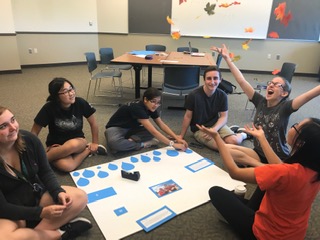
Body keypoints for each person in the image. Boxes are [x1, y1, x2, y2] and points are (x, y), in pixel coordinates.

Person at [197, 118, 320, 240]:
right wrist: (261, 137)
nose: (293, 127)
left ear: (301, 143)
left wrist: (217, 138)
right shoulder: (314, 169)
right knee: (265, 183)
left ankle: (248, 215)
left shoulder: (285, 173)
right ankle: (250, 210)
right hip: (295, 234)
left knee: (216, 192)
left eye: (296, 126)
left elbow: (235, 172)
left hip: (266, 235)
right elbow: (280, 168)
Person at [211, 44, 320, 167]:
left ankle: (262, 167)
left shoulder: (285, 107)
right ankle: (259, 165)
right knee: (225, 149)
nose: (271, 85)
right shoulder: (260, 101)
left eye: (277, 85)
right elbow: (241, 81)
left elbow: (307, 96)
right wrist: (227, 59)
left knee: (238, 159)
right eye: (270, 83)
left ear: (284, 93)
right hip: (258, 152)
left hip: (277, 156)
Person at [0, 106, 92, 240]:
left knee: (80, 197)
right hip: (10, 210)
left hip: (37, 195)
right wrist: (41, 213)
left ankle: (34, 235)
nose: (13, 128)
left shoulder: (29, 139)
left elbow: (45, 172)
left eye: (13, 120)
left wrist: (57, 191)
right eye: (3, 126)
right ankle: (59, 234)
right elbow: (3, 208)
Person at [31, 77, 107, 172]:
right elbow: (34, 132)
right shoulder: (49, 108)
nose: (71, 93)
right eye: (65, 92)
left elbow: (93, 123)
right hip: (56, 144)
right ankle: (88, 150)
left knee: (71, 145)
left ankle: (38, 162)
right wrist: (35, 150)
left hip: (78, 141)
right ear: (56, 96)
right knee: (67, 167)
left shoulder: (80, 103)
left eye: (71, 89)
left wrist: (95, 142)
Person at [180, 66, 250, 151]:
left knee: (234, 141)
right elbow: (188, 116)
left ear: (220, 80)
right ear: (204, 80)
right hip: (200, 129)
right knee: (221, 146)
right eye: (209, 78)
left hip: (216, 125)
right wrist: (181, 136)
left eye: (215, 78)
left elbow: (224, 116)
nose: (212, 82)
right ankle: (232, 134)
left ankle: (243, 134)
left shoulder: (222, 95)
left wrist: (214, 129)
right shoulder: (193, 95)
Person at [105, 87, 188, 153]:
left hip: (132, 128)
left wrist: (177, 138)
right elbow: (153, 132)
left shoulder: (151, 107)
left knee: (154, 129)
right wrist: (173, 144)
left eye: (158, 103)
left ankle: (127, 143)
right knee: (114, 143)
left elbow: (161, 125)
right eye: (153, 101)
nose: (156, 105)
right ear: (145, 100)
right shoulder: (138, 108)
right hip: (116, 128)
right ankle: (142, 144)